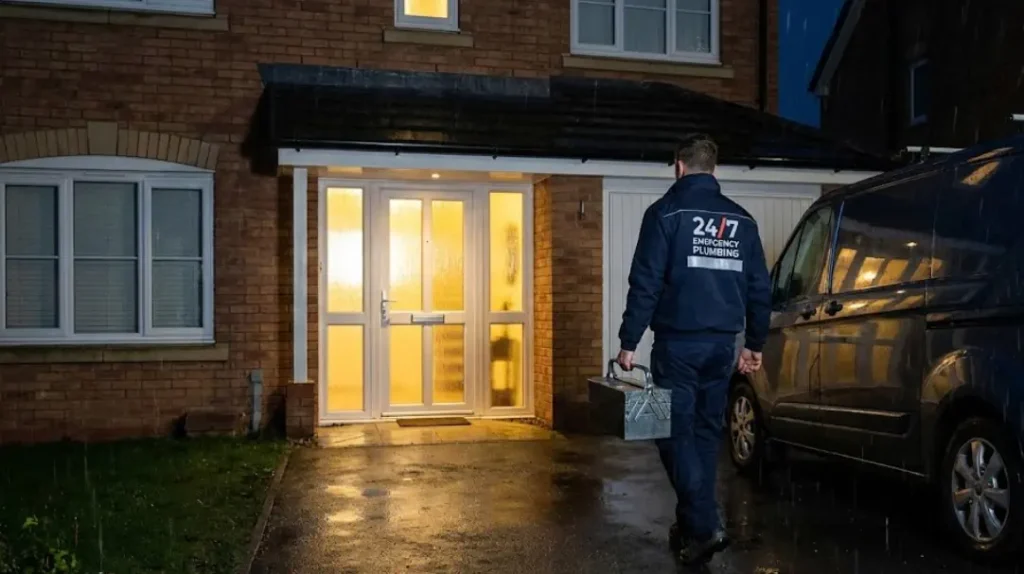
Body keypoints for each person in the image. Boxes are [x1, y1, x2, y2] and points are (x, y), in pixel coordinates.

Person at [615, 134, 771, 566]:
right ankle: (693, 531)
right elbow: (760, 287)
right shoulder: (742, 221)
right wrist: (754, 343)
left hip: (679, 345)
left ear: (678, 166)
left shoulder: (666, 213)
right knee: (704, 434)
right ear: (713, 170)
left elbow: (646, 282)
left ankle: (704, 524)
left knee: (670, 434)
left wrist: (629, 341)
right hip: (722, 347)